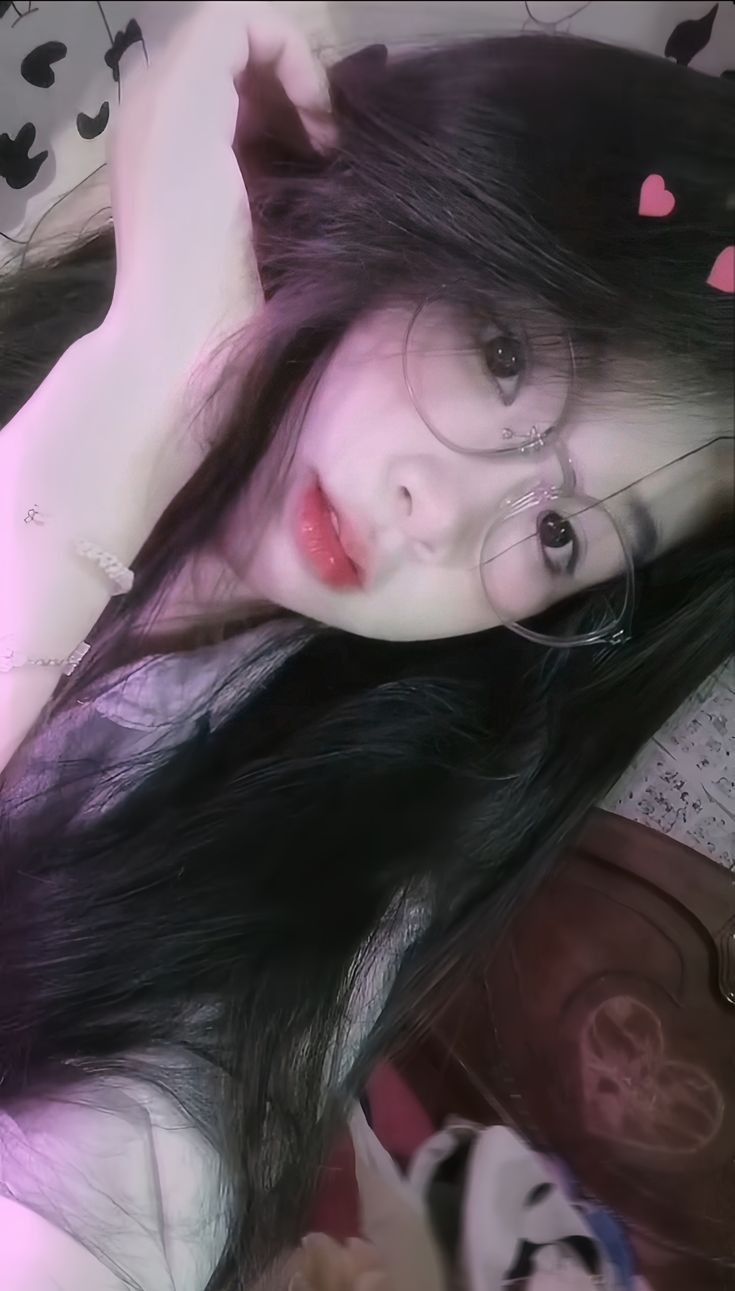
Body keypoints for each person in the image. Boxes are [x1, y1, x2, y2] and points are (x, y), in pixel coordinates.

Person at [0, 3, 732, 1288]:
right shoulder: (80, 334)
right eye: (502, 354)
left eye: (561, 533)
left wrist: (135, 387)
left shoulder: (328, 870)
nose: (441, 515)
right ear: (431, 204)